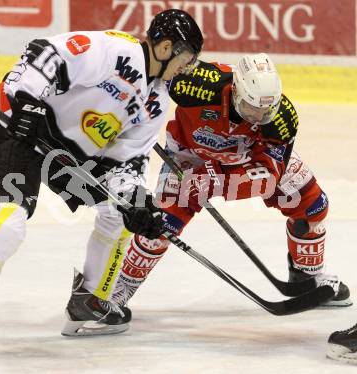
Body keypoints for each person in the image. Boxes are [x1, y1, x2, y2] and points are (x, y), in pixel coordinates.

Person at [0, 9, 204, 363]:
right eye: (187, 58)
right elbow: (44, 54)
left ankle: (89, 301)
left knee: (119, 213)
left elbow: (128, 162)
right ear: (166, 47)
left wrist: (135, 201)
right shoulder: (114, 50)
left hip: (73, 157)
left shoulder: (156, 101)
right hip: (27, 134)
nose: (189, 67)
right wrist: (26, 100)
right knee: (8, 223)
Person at [109, 53, 352, 311]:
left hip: (247, 158)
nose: (258, 117)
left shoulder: (282, 119)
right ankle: (115, 293)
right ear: (236, 91)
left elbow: (270, 176)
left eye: (266, 111)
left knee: (311, 203)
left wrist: (216, 181)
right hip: (188, 157)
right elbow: (148, 73)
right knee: (159, 226)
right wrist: (120, 111)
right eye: (251, 108)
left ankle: (306, 277)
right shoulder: (195, 83)